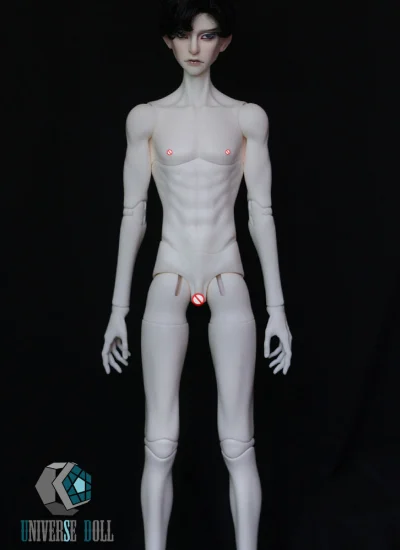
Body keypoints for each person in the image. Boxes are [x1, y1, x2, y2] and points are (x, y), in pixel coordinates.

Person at [102, 1, 292, 548]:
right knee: (159, 442)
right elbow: (133, 214)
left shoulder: (246, 118)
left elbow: (261, 214)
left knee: (238, 442)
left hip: (227, 271)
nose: (193, 47)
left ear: (223, 42)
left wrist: (277, 310)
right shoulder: (147, 119)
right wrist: (118, 311)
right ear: (169, 39)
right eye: (184, 35)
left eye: (206, 36)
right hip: (171, 272)